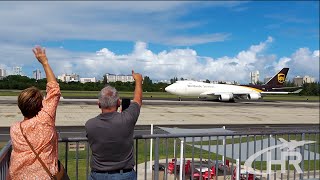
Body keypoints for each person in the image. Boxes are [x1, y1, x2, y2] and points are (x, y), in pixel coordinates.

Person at [9, 46, 61, 179]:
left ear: (20, 105)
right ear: (40, 105)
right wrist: (44, 62)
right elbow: (54, 90)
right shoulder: (44, 120)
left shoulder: (14, 129)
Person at [85, 70, 143, 180]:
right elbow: (137, 100)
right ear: (118, 103)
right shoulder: (127, 119)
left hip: (97, 175)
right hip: (124, 175)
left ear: (99, 104)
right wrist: (138, 81)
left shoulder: (90, 124)